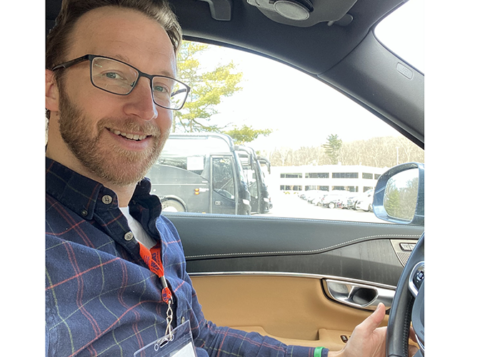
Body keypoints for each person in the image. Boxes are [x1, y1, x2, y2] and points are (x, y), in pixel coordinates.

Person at [45, 0, 417, 356]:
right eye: (113, 74)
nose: (147, 109)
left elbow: (198, 337)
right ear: (50, 89)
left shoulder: (156, 226)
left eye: (161, 86)